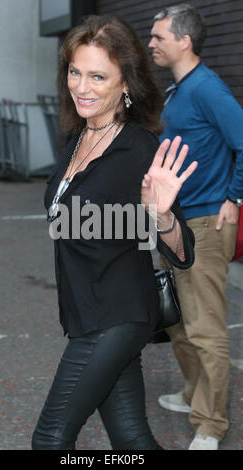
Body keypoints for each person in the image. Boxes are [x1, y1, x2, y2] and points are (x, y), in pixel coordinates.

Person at [31, 15, 196, 451]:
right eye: (75, 71)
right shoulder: (78, 136)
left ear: (125, 82)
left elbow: (183, 255)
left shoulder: (138, 149)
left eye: (98, 76)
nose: (82, 87)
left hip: (115, 317)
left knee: (49, 439)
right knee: (131, 438)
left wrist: (159, 215)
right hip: (88, 312)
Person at [148, 3, 243, 451]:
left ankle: (210, 424)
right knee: (180, 321)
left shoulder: (207, 89)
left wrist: (234, 197)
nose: (151, 43)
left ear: (184, 42)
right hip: (176, 219)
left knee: (205, 326)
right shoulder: (177, 90)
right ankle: (192, 396)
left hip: (206, 220)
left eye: (159, 37)